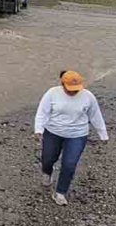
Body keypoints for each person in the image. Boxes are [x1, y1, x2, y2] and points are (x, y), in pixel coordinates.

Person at [34, 70, 108, 206]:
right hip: (53, 132)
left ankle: (60, 193)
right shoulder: (52, 93)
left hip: (77, 135)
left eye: (76, 89)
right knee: (48, 158)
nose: (73, 92)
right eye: (70, 89)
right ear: (62, 84)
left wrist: (102, 134)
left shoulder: (88, 96)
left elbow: (95, 115)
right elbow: (42, 112)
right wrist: (39, 129)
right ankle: (47, 173)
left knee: (69, 164)